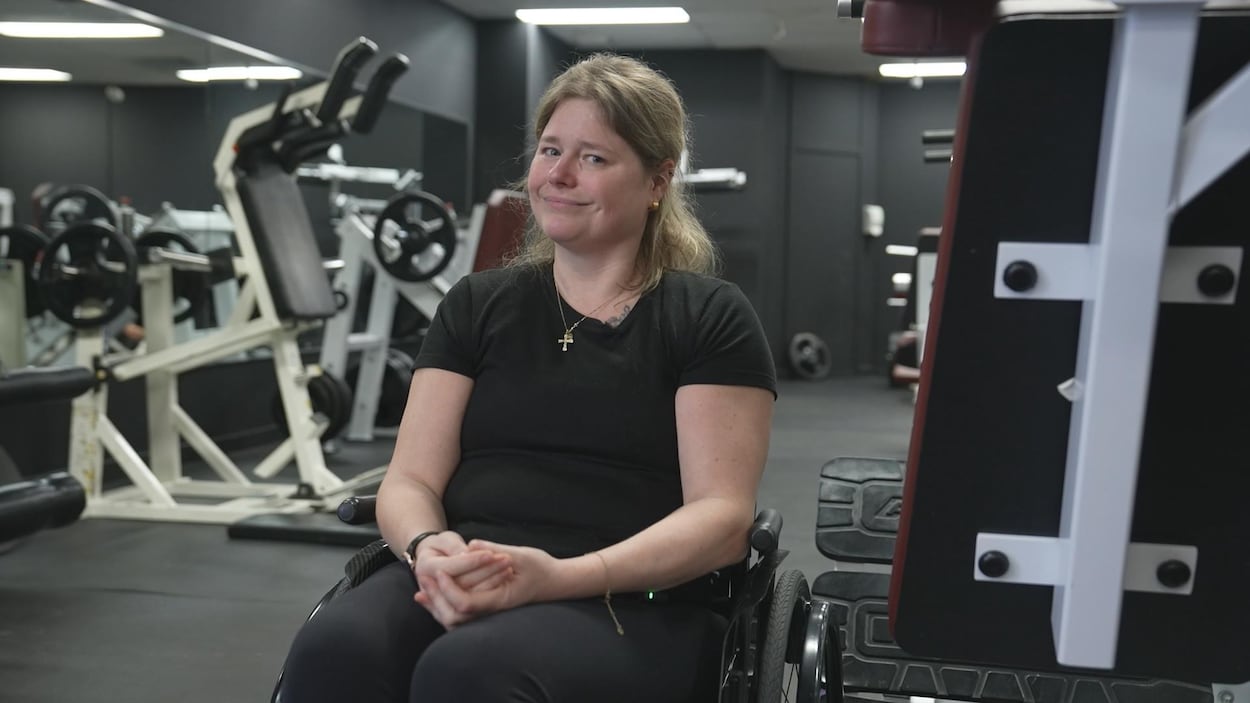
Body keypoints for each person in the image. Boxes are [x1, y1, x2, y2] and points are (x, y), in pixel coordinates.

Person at [279, 53, 777, 703]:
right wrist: (430, 548)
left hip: (630, 597)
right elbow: (410, 479)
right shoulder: (476, 303)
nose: (560, 176)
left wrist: (558, 576)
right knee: (335, 647)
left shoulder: (709, 316)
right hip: (464, 564)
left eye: (594, 158)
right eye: (550, 151)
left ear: (658, 180)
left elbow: (722, 519)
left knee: (470, 672)